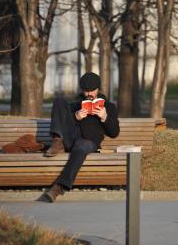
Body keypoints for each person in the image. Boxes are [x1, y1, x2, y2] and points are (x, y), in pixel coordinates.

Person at [41, 72, 120, 202]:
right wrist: (75, 117)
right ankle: (57, 141)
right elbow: (64, 123)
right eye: (86, 91)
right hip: (69, 139)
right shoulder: (75, 105)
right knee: (59, 101)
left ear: (98, 89)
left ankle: (59, 187)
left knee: (82, 146)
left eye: (92, 91)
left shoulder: (109, 107)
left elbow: (114, 133)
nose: (89, 94)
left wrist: (104, 117)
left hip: (88, 142)